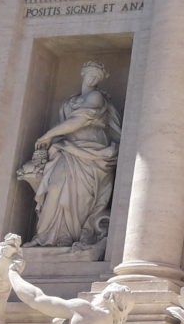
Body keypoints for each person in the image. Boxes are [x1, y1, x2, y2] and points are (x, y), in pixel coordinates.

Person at [18, 61, 122, 253]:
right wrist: (54, 141)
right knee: (55, 188)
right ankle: (45, 237)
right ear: (83, 73)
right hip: (67, 150)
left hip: (90, 154)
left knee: (80, 197)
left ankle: (68, 237)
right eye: (91, 74)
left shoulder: (96, 96)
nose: (93, 78)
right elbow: (67, 127)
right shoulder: (70, 101)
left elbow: (79, 120)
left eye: (97, 76)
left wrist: (47, 135)